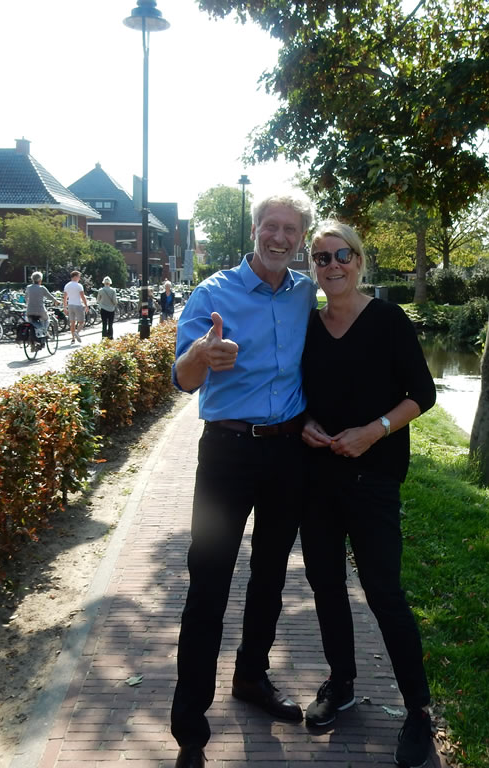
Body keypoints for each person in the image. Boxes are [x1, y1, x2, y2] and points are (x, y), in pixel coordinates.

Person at [170, 192, 317, 768]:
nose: (279, 237)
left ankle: (252, 676)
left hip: (287, 453)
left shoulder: (305, 292)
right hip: (227, 453)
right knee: (208, 583)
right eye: (270, 226)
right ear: (254, 230)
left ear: (301, 238)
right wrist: (202, 355)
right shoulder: (213, 294)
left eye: (290, 230)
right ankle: (190, 724)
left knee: (271, 575)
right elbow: (182, 379)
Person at [299, 221, 436, 768]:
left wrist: (373, 431)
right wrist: (305, 423)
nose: (332, 265)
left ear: (359, 260)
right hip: (317, 478)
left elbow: (422, 394)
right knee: (326, 585)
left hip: (374, 479)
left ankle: (418, 709)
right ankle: (342, 682)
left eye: (342, 255)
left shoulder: (388, 319)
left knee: (383, 592)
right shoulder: (308, 325)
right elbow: (297, 393)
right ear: (313, 267)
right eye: (321, 257)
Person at [25, 271, 58, 340]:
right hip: (40, 310)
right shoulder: (42, 288)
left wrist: (28, 304)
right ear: (40, 280)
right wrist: (56, 301)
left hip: (29, 310)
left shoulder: (28, 287)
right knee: (46, 319)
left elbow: (26, 298)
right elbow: (50, 296)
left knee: (31, 322)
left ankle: (36, 333)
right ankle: (44, 331)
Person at [62, 270, 88, 344]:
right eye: (79, 277)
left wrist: (65, 307)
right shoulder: (79, 286)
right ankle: (77, 332)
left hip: (70, 305)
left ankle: (73, 338)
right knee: (82, 322)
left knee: (72, 322)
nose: (79, 278)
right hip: (78, 305)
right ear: (75, 276)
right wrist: (86, 305)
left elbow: (65, 297)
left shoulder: (67, 285)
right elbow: (82, 296)